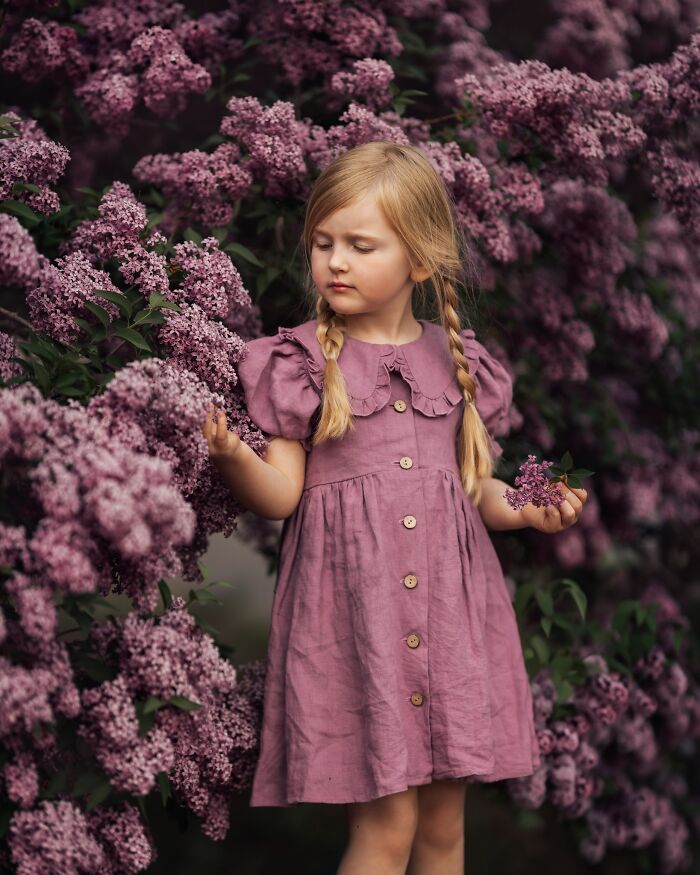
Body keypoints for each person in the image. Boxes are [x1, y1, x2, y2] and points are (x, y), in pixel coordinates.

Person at [201, 140, 587, 875]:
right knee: (386, 829)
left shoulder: (459, 360)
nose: (335, 261)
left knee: (442, 829)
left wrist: (531, 509)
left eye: (360, 245)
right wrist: (233, 457)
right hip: (361, 623)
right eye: (323, 243)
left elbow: (475, 489)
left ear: (418, 260)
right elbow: (283, 494)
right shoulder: (303, 361)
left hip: (448, 621)